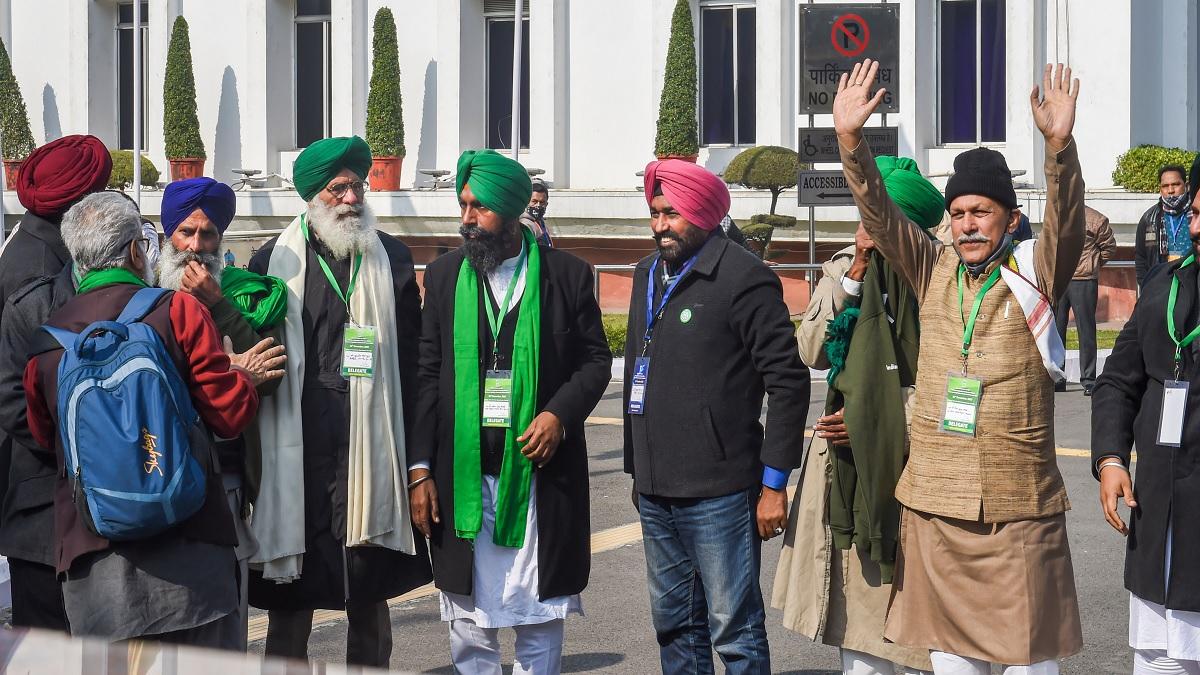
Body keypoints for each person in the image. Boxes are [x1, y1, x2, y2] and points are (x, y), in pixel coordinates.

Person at [832, 59, 1084, 674]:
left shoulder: (1035, 273)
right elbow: (879, 216)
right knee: (950, 662)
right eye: (960, 212)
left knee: (1032, 662)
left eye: (982, 212)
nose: (968, 223)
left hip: (1017, 503)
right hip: (936, 503)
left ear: (1009, 218)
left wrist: (1059, 149)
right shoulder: (932, 268)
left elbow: (1068, 223)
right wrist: (850, 143)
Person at [23, 191, 280, 647]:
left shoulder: (48, 342)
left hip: (93, 556)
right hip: (191, 547)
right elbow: (228, 415)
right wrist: (243, 376)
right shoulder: (177, 312)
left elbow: (47, 438)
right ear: (138, 251)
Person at [408, 149, 611, 675]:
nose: (467, 219)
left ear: (512, 209)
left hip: (540, 480)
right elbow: (428, 375)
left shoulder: (566, 276)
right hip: (464, 478)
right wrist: (420, 470)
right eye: (463, 205)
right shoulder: (447, 274)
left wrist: (559, 415)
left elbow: (594, 362)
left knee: (538, 617)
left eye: (479, 207)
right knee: (470, 624)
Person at [247, 136, 432, 667]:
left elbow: (416, 363)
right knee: (291, 601)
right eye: (339, 187)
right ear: (313, 197)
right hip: (298, 453)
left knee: (368, 595)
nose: (352, 197)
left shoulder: (391, 256)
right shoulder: (272, 260)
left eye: (357, 184)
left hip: (370, 448)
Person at [623, 159, 810, 674]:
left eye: (672, 214)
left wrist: (774, 485)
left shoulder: (744, 277)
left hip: (721, 493)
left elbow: (788, 382)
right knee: (674, 624)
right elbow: (637, 371)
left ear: (703, 214)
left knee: (735, 629)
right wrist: (638, 469)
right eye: (655, 213)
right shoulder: (645, 274)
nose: (660, 224)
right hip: (658, 491)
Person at [773, 156, 944, 675]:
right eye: (864, 212)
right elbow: (811, 351)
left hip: (918, 469)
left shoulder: (943, 278)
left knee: (923, 628)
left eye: (881, 214)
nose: (869, 225)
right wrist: (854, 274)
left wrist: (877, 418)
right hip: (845, 475)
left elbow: (958, 385)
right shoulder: (843, 267)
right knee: (858, 623)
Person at [158, 176, 289, 650]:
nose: (195, 247)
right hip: (157, 474)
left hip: (225, 478)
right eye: (186, 233)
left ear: (222, 240)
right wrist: (230, 372)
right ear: (166, 235)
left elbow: (271, 376)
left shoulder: (246, 293)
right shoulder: (145, 295)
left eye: (207, 234)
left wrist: (218, 304)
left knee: (223, 612)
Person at [1093, 152, 1200, 675]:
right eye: (1196, 214)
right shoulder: (1165, 283)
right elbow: (1118, 378)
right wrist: (1111, 458)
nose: (1196, 228)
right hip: (1159, 503)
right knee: (1157, 655)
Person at [0, 134, 111, 633]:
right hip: (41, 494)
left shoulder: (34, 246)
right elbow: (16, 394)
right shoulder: (39, 273)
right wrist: (77, 447)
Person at [1054, 205, 1116, 396]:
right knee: (1055, 331)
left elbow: (1109, 247)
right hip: (1059, 279)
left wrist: (1093, 265)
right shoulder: (1055, 214)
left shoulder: (1096, 219)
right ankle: (1057, 378)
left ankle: (1089, 379)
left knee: (1086, 330)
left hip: (1084, 280)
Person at [1135, 164, 1190, 287]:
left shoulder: (1196, 213)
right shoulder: (1149, 218)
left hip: (1193, 280)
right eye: (1165, 186)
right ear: (1160, 189)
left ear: (1186, 186)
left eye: (1175, 184)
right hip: (1162, 284)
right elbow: (1141, 258)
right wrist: (1147, 287)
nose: (1170, 190)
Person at [519, 179, 553, 247]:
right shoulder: (525, 225)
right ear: (527, 202)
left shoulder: (542, 223)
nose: (538, 205)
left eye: (542, 202)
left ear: (546, 204)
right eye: (534, 201)